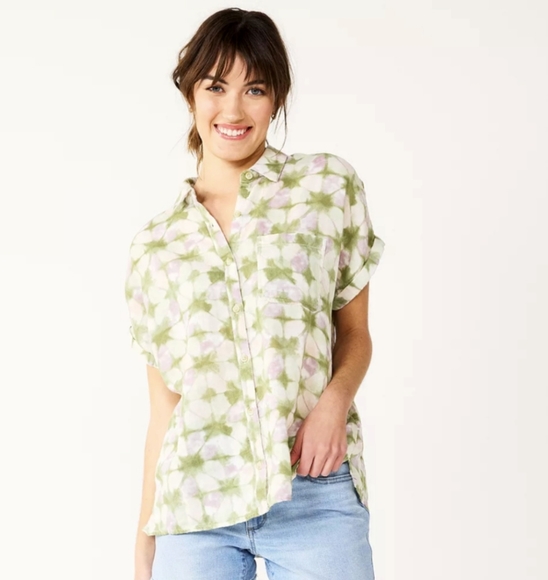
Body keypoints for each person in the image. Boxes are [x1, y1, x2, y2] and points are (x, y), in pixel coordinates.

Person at [124, 7, 385, 580]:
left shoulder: (326, 187)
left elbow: (355, 333)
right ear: (191, 94)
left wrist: (333, 403)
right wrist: (145, 545)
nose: (234, 110)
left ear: (277, 99)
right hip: (195, 507)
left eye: (256, 89)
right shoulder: (157, 246)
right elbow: (164, 409)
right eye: (216, 87)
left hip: (313, 487)